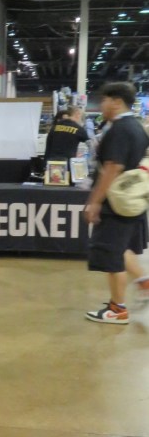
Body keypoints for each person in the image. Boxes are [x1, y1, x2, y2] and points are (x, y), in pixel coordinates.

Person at [83, 81, 149, 323]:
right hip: (132, 200)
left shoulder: (120, 129)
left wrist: (95, 201)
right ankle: (144, 282)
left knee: (111, 256)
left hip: (115, 201)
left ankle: (117, 309)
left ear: (116, 101)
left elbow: (113, 167)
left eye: (104, 100)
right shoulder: (138, 128)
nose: (102, 106)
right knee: (121, 248)